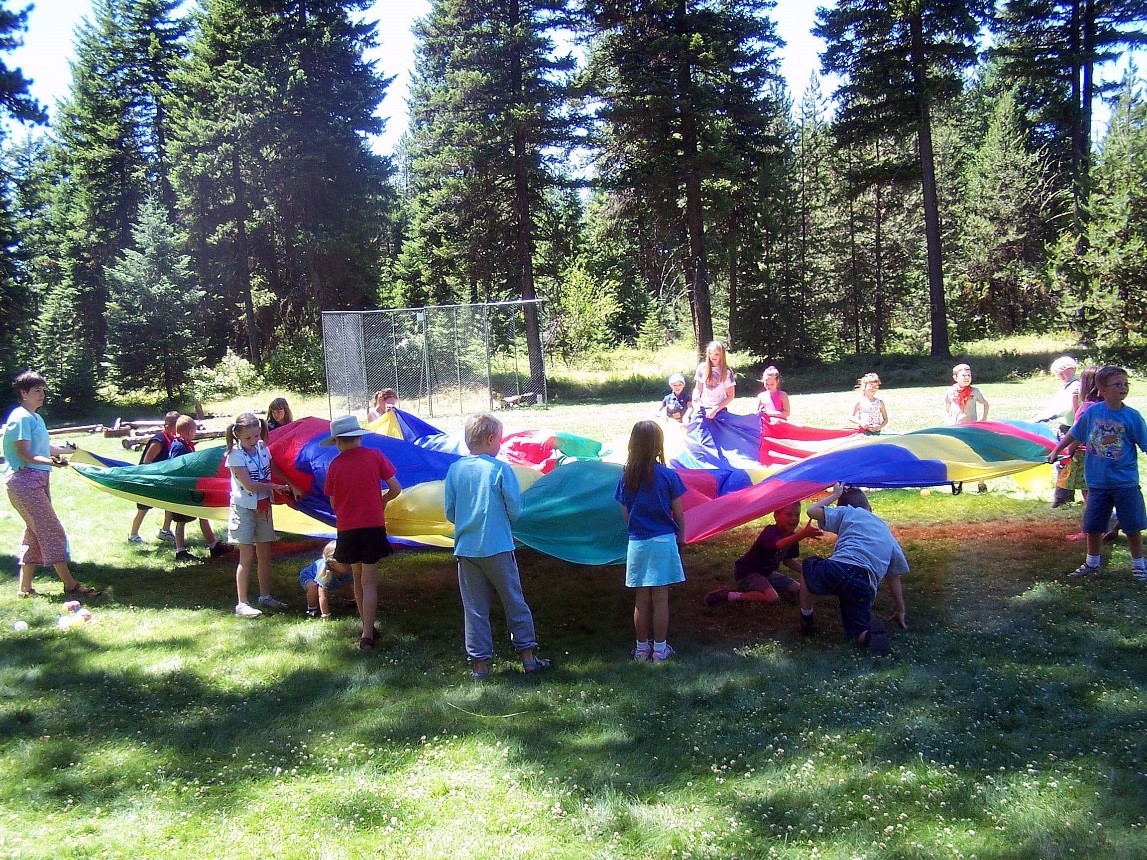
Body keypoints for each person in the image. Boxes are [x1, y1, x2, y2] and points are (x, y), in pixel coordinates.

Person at [444, 413, 552, 679]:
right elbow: (514, 508)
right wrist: (504, 522)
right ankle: (528, 657)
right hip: (498, 546)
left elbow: (449, 510)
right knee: (514, 601)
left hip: (466, 549)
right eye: (499, 440)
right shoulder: (500, 469)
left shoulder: (455, 469)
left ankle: (479, 666)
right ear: (491, 439)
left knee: (474, 608)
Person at [3, 371, 101, 599]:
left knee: (36, 532)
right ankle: (71, 585)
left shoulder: (35, 417)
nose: (42, 395)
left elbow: (43, 447)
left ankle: (24, 589)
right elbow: (25, 453)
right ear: (23, 393)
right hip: (24, 481)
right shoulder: (20, 418)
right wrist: (52, 463)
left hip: (37, 480)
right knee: (51, 531)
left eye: (43, 390)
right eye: (37, 391)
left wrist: (70, 451)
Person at [1046, 365, 1147, 581]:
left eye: (1125, 384)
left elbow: (1145, 442)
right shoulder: (1092, 413)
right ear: (1102, 388)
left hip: (1125, 483)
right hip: (1098, 483)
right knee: (1093, 525)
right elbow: (1074, 434)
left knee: (1132, 525)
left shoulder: (1132, 416)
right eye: (1117, 384)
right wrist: (1057, 449)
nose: (1123, 388)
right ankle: (1092, 563)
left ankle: (1139, 565)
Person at [798, 483, 908, 656]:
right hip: (865, 583)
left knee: (808, 566)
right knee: (856, 629)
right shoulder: (887, 533)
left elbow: (812, 511)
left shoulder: (848, 512)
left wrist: (835, 494)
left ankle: (807, 620)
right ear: (870, 508)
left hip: (841, 568)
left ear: (841, 508)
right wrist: (900, 609)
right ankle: (869, 637)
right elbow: (894, 575)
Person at [323, 414, 401, 650]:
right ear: (359, 437)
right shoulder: (375, 456)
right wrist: (381, 502)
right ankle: (367, 632)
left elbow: (333, 503)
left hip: (347, 529)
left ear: (337, 441)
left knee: (357, 578)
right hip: (372, 527)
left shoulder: (335, 465)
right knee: (369, 582)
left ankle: (366, 627)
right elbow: (396, 489)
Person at [615, 420, 687, 662]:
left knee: (641, 599)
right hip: (663, 541)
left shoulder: (627, 478)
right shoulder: (668, 475)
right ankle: (660, 648)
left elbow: (626, 514)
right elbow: (678, 512)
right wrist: (682, 536)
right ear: (658, 446)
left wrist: (637, 527)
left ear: (632, 445)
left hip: (638, 542)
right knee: (661, 599)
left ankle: (641, 648)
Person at [226, 413, 299, 618]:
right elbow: (249, 485)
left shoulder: (262, 447)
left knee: (265, 554)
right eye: (248, 438)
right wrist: (277, 486)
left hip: (264, 505)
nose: (253, 441)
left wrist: (290, 484)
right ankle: (242, 603)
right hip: (244, 507)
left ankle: (265, 595)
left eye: (257, 436)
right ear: (237, 436)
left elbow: (273, 467)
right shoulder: (235, 455)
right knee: (246, 556)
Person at [704, 502, 820, 605]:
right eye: (789, 514)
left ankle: (764, 586)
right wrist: (802, 534)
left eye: (797, 515)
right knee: (772, 598)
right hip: (747, 573)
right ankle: (727, 595)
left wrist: (807, 571)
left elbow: (787, 560)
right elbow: (779, 545)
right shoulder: (770, 531)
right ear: (776, 516)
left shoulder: (792, 536)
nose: (794, 518)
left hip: (767, 573)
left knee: (798, 589)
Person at [167, 414, 232, 563]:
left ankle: (214, 545)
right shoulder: (178, 445)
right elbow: (177, 465)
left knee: (203, 514)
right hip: (182, 490)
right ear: (190, 432)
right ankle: (180, 550)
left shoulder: (183, 444)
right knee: (181, 520)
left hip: (192, 488)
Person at [128, 410, 178, 544]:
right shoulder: (159, 440)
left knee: (170, 503)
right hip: (148, 479)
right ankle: (133, 535)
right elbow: (146, 461)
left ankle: (165, 531)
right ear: (168, 427)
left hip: (162, 479)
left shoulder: (173, 439)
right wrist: (156, 474)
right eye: (176, 428)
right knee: (143, 509)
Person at [943, 364, 990, 493]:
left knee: (976, 455)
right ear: (955, 377)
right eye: (963, 375)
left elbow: (985, 404)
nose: (967, 378)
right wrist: (948, 421)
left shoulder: (974, 391)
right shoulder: (950, 392)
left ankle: (981, 483)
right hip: (956, 429)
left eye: (969, 375)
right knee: (956, 455)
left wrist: (983, 419)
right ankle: (957, 483)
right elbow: (946, 408)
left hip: (972, 428)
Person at [299, 540, 355, 619]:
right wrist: (326, 614)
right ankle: (312, 609)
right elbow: (322, 596)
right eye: (345, 563)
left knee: (347, 582)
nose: (350, 565)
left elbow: (353, 586)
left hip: (334, 575)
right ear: (332, 565)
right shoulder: (324, 573)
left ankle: (352, 601)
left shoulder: (345, 570)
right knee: (313, 587)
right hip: (309, 576)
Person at [691, 341, 735, 420]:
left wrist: (715, 410)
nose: (713, 356)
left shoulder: (727, 371)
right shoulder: (701, 368)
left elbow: (731, 396)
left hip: (720, 410)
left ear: (722, 355)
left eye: (716, 354)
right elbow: (698, 388)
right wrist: (695, 398)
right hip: (703, 408)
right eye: (710, 353)